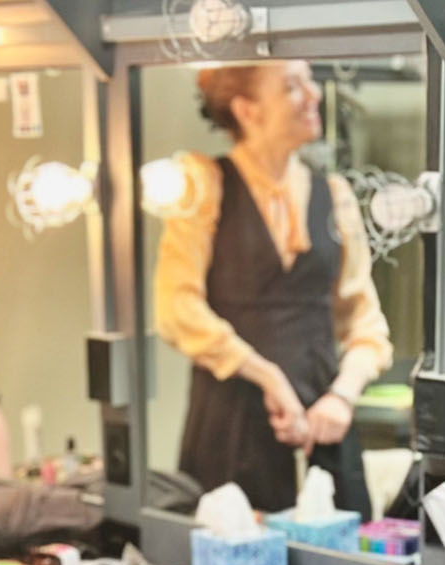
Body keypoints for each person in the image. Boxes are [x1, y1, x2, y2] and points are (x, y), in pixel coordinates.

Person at [154, 60, 394, 519]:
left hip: (326, 430)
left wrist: (341, 397)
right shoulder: (203, 184)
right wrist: (269, 377)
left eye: (309, 81)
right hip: (229, 432)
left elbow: (365, 322)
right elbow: (175, 308)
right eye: (291, 86)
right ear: (248, 110)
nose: (314, 95)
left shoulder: (335, 193)